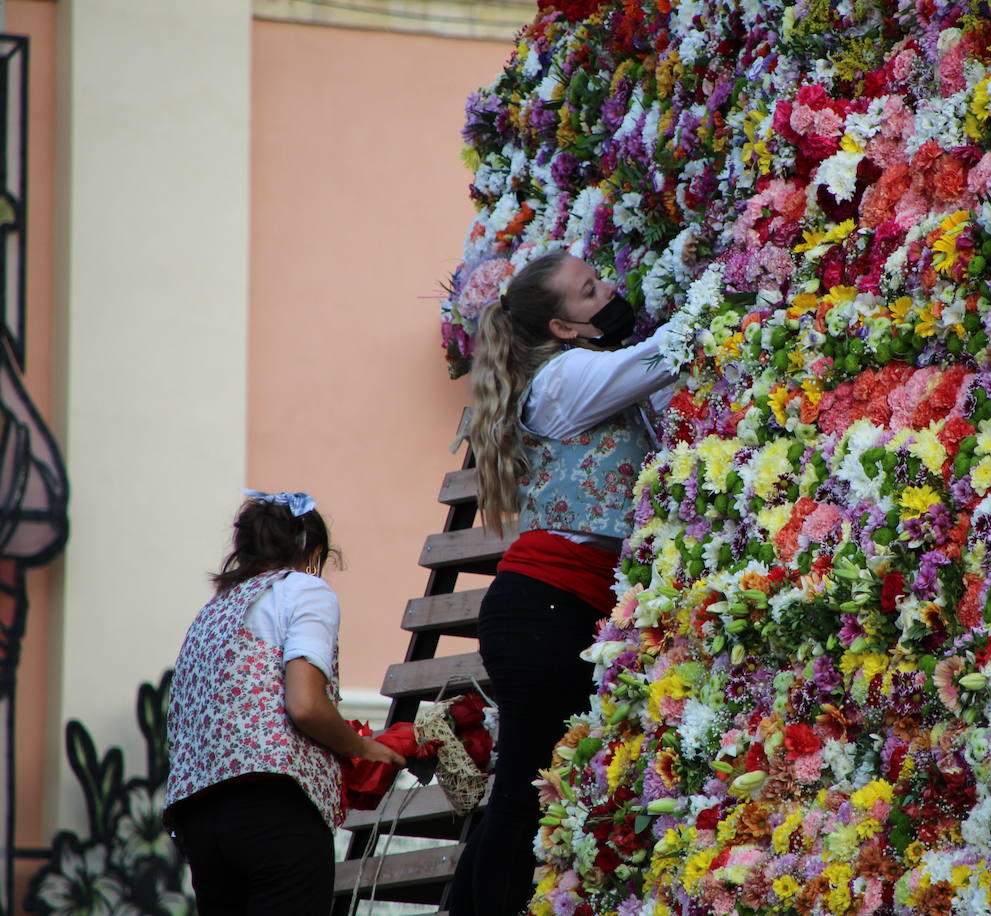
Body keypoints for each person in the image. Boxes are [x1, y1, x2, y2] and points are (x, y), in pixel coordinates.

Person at [447, 251, 677, 915]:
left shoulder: (578, 373)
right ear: (564, 327)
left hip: (553, 609)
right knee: (526, 795)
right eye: (591, 289)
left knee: (523, 791)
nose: (610, 290)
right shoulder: (566, 377)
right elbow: (660, 357)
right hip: (545, 608)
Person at [163, 490, 404, 916]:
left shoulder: (213, 611)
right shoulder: (305, 590)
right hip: (274, 809)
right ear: (311, 549)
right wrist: (362, 747)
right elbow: (306, 704)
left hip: (200, 818)